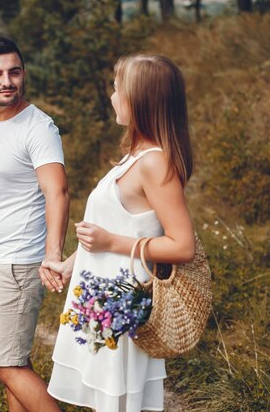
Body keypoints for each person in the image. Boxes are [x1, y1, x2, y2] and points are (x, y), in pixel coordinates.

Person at [43, 54, 196, 412]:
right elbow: (116, 226)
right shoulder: (134, 156)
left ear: (140, 100)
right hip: (102, 299)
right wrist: (71, 263)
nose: (112, 96)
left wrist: (111, 243)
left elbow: (182, 245)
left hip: (123, 303)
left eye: (117, 89)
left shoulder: (155, 162)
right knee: (105, 401)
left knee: (118, 401)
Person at [0, 36, 68, 412]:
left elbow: (58, 192)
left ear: (23, 74)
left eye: (14, 71)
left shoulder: (38, 128)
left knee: (3, 364)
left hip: (18, 262)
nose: (7, 81)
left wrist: (51, 255)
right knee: (16, 361)